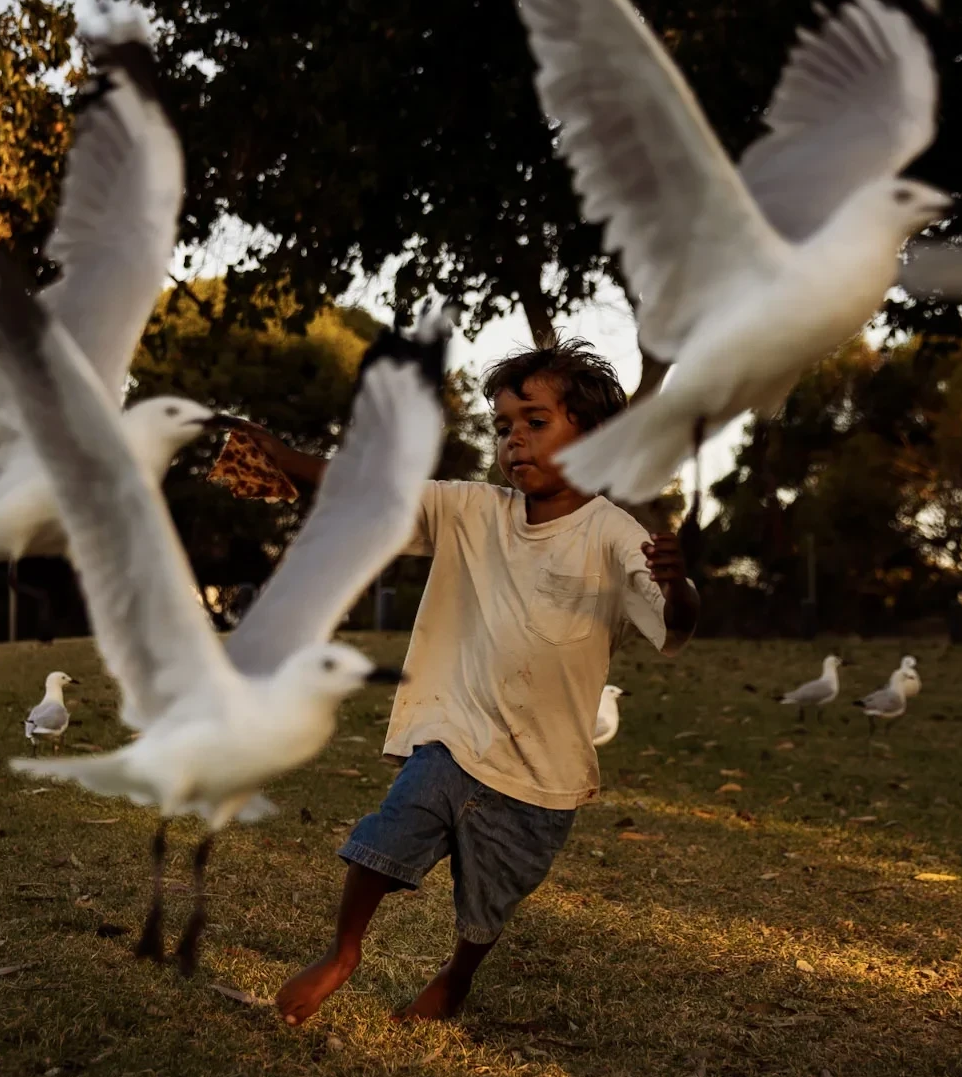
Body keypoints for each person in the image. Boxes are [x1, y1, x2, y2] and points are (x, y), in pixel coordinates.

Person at [244, 338, 698, 1022]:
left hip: (542, 771)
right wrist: (286, 459)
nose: (515, 439)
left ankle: (456, 979)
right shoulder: (470, 509)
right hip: (452, 735)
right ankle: (343, 952)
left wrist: (678, 587)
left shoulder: (613, 533)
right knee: (385, 838)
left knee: (487, 904)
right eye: (504, 426)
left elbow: (675, 625)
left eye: (536, 421)